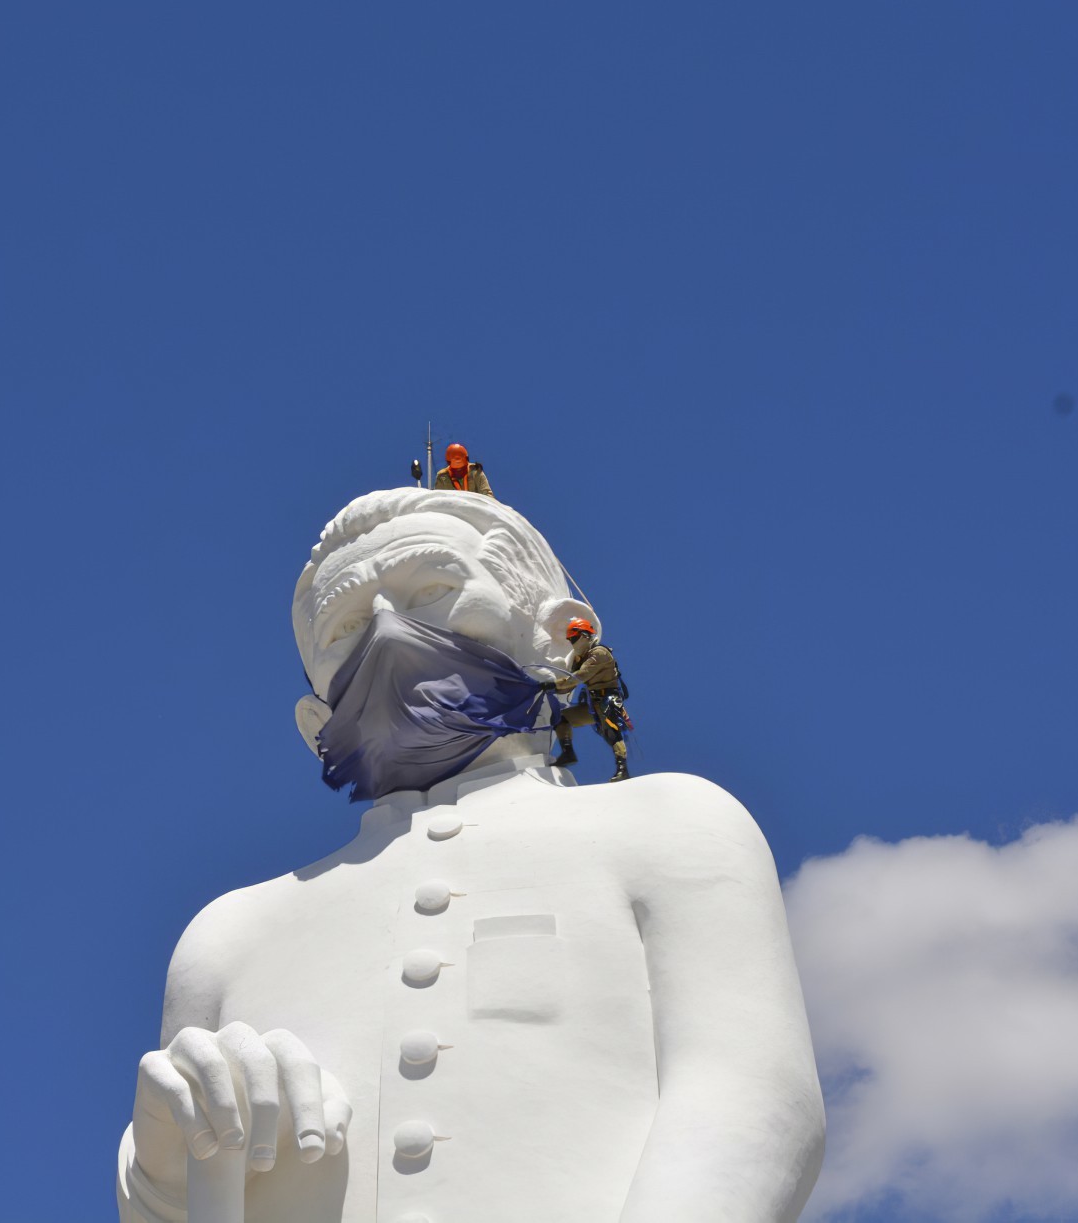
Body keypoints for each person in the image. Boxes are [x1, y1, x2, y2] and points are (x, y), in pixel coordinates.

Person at [114, 488, 824, 1223]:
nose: (387, 631)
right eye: (345, 629)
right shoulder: (228, 938)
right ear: (313, 721)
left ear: (555, 635)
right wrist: (160, 1175)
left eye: (432, 590)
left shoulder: (668, 824)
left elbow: (752, 1097)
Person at [546, 616, 631, 782]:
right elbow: (571, 683)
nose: (572, 643)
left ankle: (623, 770)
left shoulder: (599, 653)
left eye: (574, 638)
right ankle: (568, 753)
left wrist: (554, 685)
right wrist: (549, 687)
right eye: (571, 640)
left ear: (585, 635)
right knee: (560, 718)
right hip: (593, 704)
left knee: (611, 732)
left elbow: (580, 676)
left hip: (607, 700)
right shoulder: (582, 658)